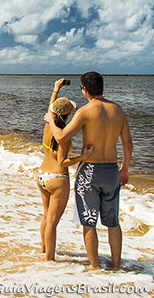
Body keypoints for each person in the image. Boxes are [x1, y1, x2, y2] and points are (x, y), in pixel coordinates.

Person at [45, 71, 133, 270]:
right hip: (111, 170)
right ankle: (117, 266)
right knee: (113, 222)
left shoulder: (85, 111)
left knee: (89, 221)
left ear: (84, 90)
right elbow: (128, 144)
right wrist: (125, 169)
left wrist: (50, 120)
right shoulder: (118, 110)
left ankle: (95, 268)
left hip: (90, 172)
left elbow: (61, 138)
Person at [38, 78, 93, 261]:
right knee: (53, 222)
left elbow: (50, 108)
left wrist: (55, 89)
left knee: (46, 217)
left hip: (42, 175)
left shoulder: (48, 124)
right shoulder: (64, 134)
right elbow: (63, 161)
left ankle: (44, 251)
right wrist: (82, 158)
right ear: (68, 115)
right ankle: (50, 260)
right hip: (57, 178)